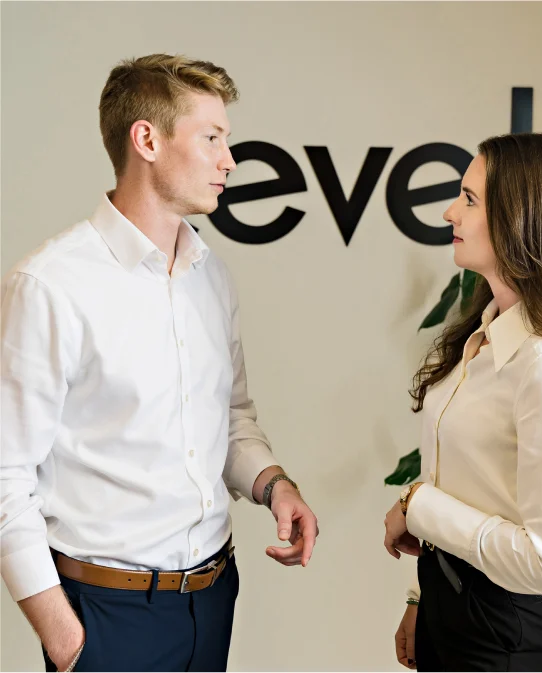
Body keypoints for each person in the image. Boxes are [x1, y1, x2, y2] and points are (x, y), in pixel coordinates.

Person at [1, 53, 318, 672]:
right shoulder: (50, 285)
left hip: (212, 599)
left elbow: (230, 417)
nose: (229, 160)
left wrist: (275, 485)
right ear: (146, 139)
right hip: (104, 618)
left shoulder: (211, 275)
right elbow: (3, 472)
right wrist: (66, 638)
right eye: (212, 137)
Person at [384, 132, 542, 672]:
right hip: (450, 605)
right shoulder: (484, 336)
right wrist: (420, 599)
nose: (451, 212)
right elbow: (465, 485)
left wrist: (417, 508)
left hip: (503, 633)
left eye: (470, 199)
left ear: (525, 218)